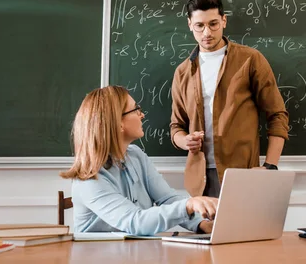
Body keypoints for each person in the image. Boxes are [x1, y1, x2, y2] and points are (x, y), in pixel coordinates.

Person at [170, 0, 289, 198]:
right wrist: (185, 141)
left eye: (213, 24)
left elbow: (277, 114)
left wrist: (270, 166)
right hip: (199, 179)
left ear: (224, 20)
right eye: (199, 26)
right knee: (204, 230)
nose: (207, 32)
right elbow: (176, 127)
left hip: (243, 173)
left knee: (248, 231)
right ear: (190, 25)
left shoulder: (250, 60)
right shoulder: (183, 72)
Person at [60, 85, 217, 236]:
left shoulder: (136, 156)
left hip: (136, 252)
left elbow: (167, 198)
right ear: (118, 123)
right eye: (136, 110)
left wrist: (201, 224)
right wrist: (188, 205)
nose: (142, 115)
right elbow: (135, 222)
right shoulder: (89, 178)